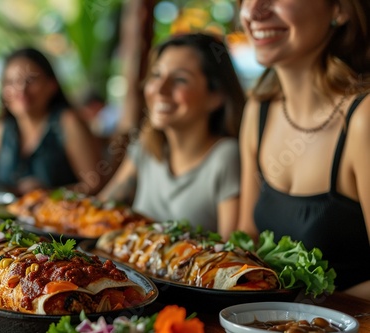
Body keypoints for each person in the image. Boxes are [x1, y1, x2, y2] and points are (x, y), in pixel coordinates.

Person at [237, 0, 370, 299]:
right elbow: (247, 237)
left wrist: (304, 310)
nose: (254, 11)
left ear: (339, 9)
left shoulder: (363, 118)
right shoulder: (258, 110)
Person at [98, 33, 245, 240]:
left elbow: (231, 254)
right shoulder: (146, 146)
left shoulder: (225, 157)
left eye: (180, 79)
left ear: (216, 97)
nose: (160, 89)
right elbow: (99, 212)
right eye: (156, 75)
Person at [0, 47, 102, 195]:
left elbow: (94, 185)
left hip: (57, 215)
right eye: (11, 82)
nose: (21, 89)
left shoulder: (67, 122)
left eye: (31, 80)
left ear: (51, 85)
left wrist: (49, 194)